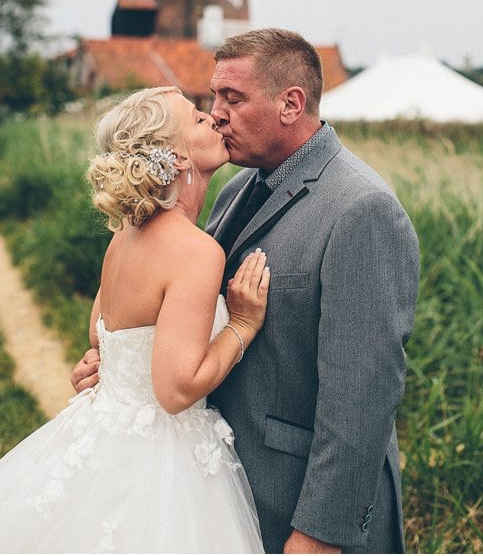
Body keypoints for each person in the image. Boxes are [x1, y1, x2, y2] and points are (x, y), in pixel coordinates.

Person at [72, 29, 419, 553]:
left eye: (231, 98)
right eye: (213, 99)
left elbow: (364, 393)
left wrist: (320, 533)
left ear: (290, 103)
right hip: (220, 486)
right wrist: (119, 368)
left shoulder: (361, 209)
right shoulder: (235, 188)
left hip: (301, 506)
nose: (216, 113)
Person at [0, 86, 271, 552]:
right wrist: (242, 326)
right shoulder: (195, 252)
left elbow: (100, 332)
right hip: (163, 463)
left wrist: (110, 367)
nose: (213, 119)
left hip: (105, 433)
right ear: (177, 158)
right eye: (196, 119)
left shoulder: (125, 237)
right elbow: (175, 391)